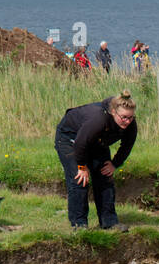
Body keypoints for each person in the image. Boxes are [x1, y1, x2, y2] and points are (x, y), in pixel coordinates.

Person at [53, 91, 136, 231]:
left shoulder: (130, 125)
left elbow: (127, 145)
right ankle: (79, 224)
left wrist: (114, 164)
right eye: (123, 117)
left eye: (130, 117)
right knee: (80, 179)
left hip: (97, 142)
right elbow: (80, 143)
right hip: (70, 138)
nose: (127, 121)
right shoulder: (98, 120)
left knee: (105, 176)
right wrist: (81, 166)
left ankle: (109, 222)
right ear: (113, 112)